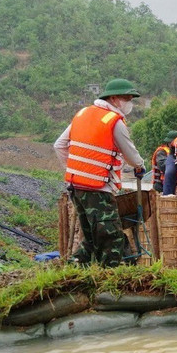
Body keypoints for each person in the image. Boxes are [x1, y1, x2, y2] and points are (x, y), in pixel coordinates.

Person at [54, 78, 145, 267]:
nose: (129, 103)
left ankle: (75, 273)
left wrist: (76, 170)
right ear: (113, 98)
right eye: (126, 98)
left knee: (90, 236)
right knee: (111, 237)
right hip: (98, 190)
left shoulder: (82, 114)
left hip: (76, 187)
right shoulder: (113, 121)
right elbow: (131, 155)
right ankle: (109, 279)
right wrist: (139, 166)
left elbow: (59, 145)